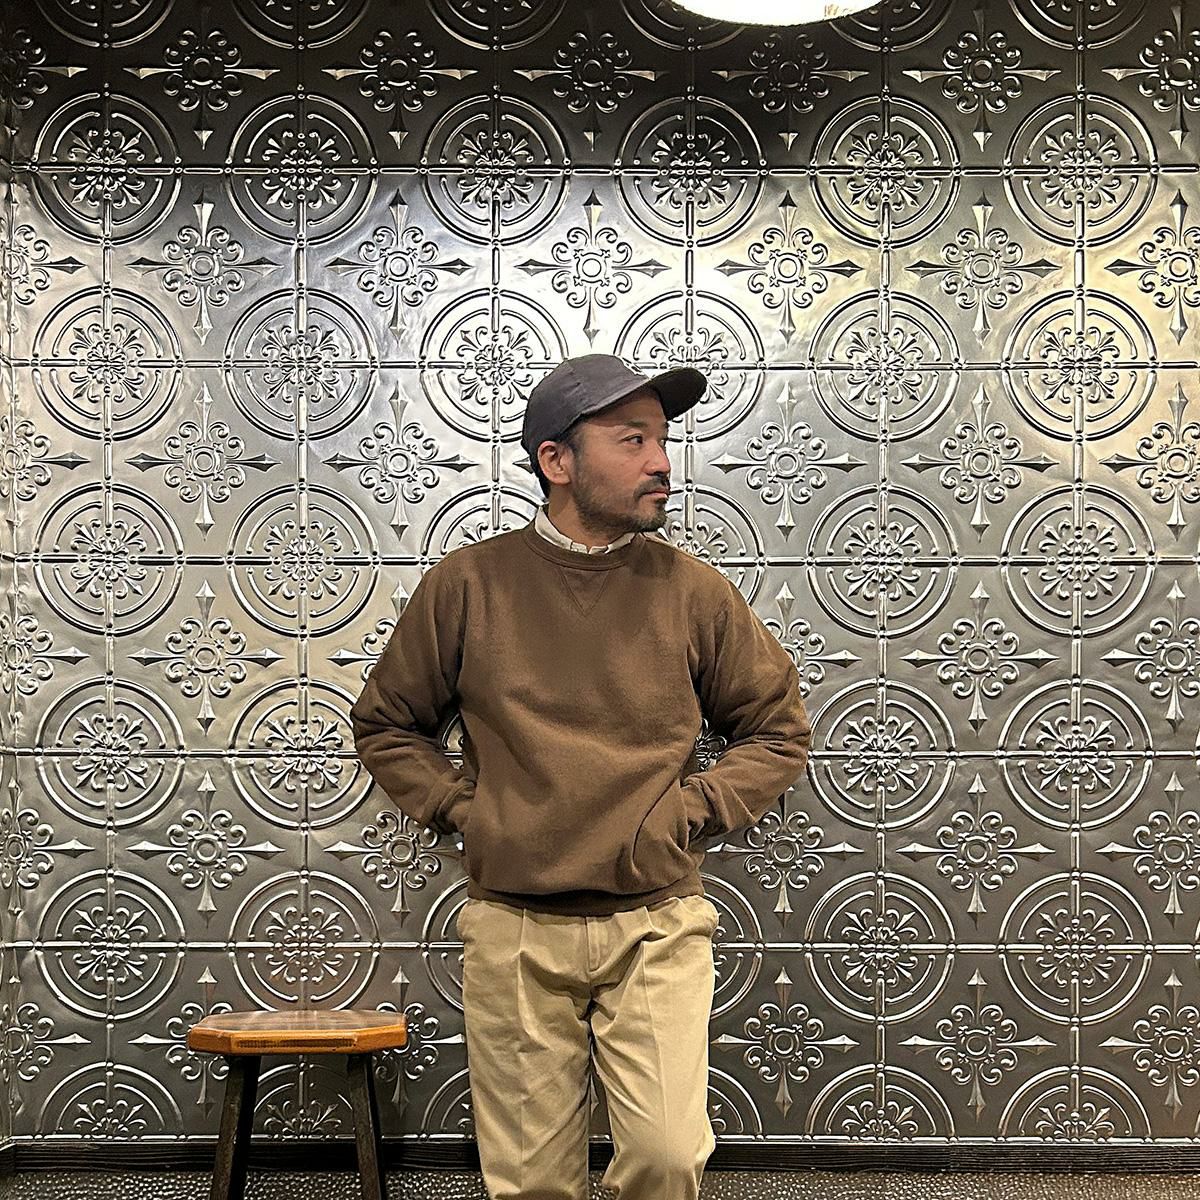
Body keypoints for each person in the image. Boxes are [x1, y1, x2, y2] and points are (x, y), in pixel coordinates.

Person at [350, 352, 811, 1200]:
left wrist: (689, 812)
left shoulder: (694, 592)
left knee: (667, 1158)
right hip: (514, 924)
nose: (661, 462)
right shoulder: (470, 585)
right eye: (632, 440)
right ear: (556, 461)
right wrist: (466, 811)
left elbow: (777, 731)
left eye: (663, 439)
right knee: (530, 1183)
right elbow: (386, 723)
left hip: (657, 922)